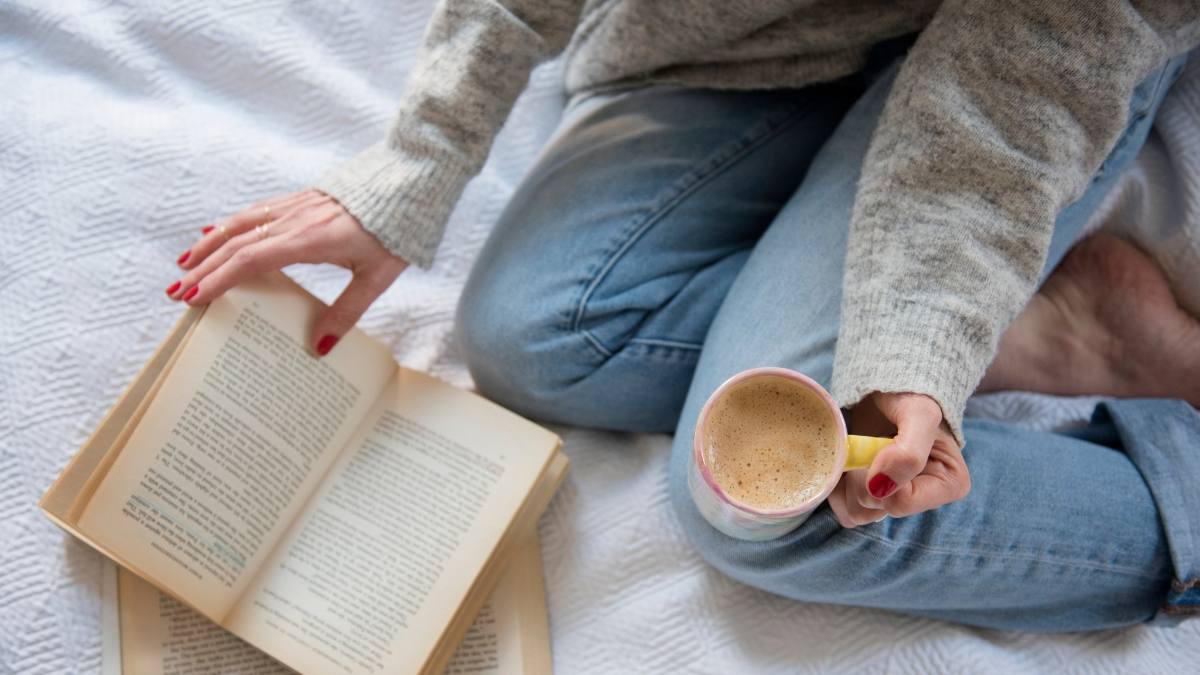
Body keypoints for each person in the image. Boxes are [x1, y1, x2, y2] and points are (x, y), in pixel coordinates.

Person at [164, 2, 1200, 632]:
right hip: (746, 48)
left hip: (1009, 101)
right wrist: (420, 159)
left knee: (782, 519)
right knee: (536, 337)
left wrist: (917, 336)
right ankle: (1042, 334)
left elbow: (1005, 99)